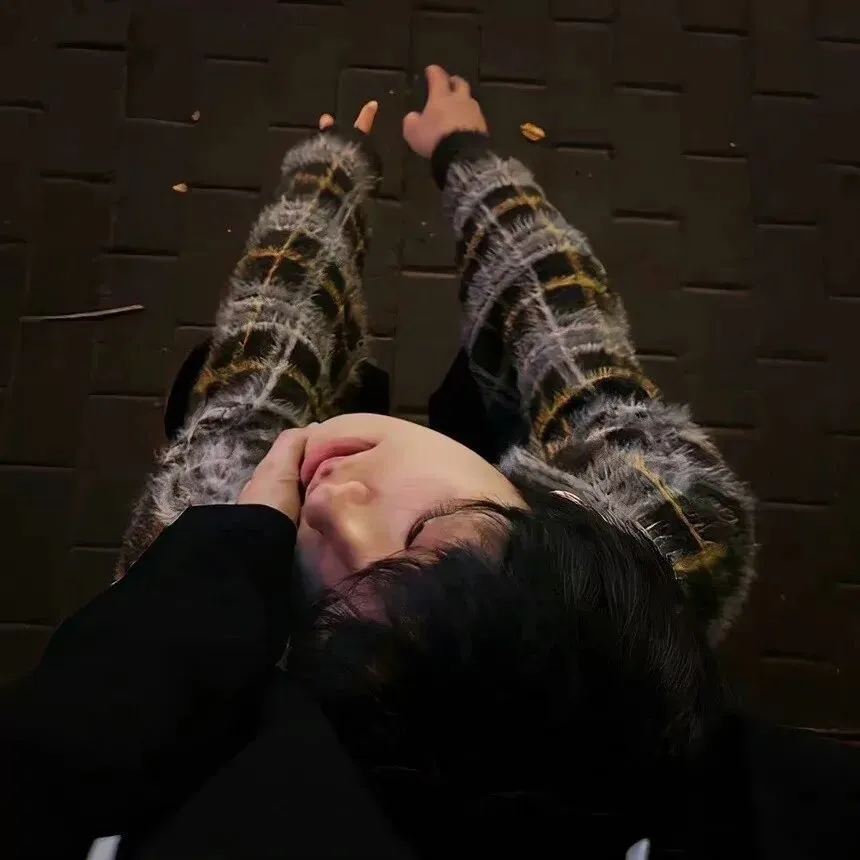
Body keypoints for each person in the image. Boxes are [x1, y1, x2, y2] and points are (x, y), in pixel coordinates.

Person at [1, 66, 857, 860]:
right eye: (433, 532)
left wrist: (328, 178)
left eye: (328, 620)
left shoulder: (191, 555)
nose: (332, 506)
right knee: (485, 398)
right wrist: (465, 155)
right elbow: (560, 319)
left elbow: (268, 353)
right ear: (565, 532)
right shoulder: (673, 515)